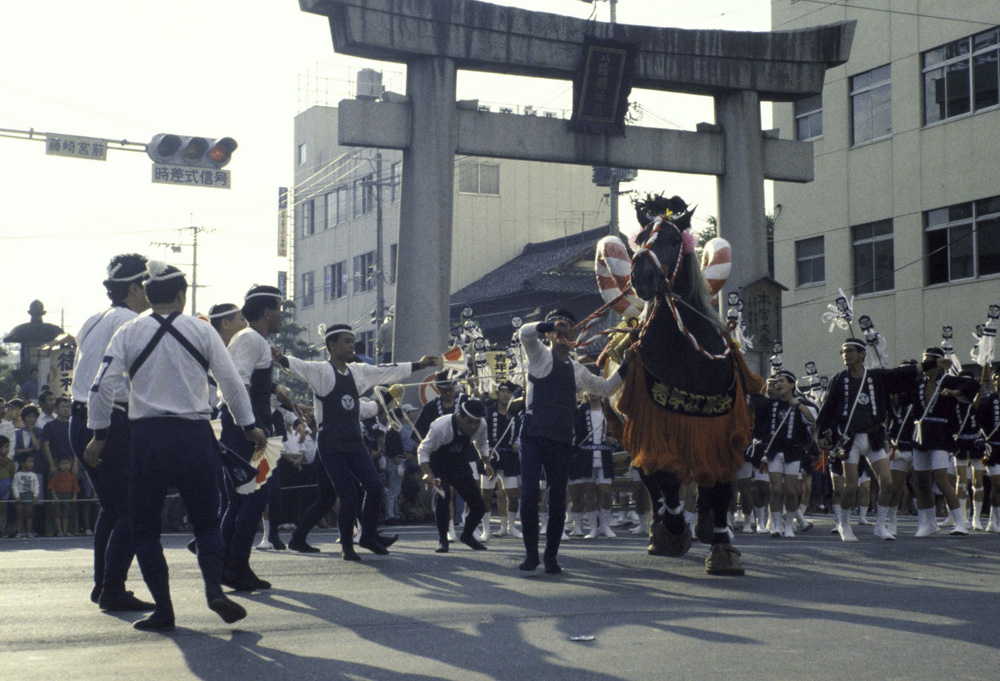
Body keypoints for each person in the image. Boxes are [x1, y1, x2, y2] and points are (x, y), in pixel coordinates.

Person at [85, 261, 266, 631]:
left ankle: (164, 609)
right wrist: (249, 426)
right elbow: (230, 382)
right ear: (182, 295)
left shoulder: (128, 331)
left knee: (145, 528)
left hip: (148, 440)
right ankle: (214, 588)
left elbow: (100, 387)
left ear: (148, 295)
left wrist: (99, 435)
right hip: (195, 437)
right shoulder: (201, 331)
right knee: (206, 522)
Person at [274, 324, 438, 560]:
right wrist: (280, 358)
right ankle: (347, 546)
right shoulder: (321, 372)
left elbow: (385, 371)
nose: (352, 345)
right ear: (331, 345)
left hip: (354, 443)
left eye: (353, 341)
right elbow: (299, 366)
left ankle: (367, 535)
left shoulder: (358, 372)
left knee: (372, 487)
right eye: (346, 341)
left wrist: (419, 365)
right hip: (330, 444)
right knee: (347, 495)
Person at [517, 309, 632, 574]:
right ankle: (531, 555)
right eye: (558, 326)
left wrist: (626, 364)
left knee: (558, 497)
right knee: (530, 493)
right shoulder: (539, 355)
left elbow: (605, 388)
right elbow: (524, 333)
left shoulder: (578, 370)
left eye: (568, 325)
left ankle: (551, 557)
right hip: (533, 434)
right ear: (550, 333)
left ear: (573, 334)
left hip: (559, 438)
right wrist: (546, 325)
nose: (562, 330)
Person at [69, 252, 153, 611]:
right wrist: (101, 434)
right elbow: (108, 385)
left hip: (79, 418)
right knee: (133, 510)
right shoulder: (132, 322)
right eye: (148, 284)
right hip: (107, 421)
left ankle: (102, 584)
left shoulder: (91, 320)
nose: (152, 292)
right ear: (135, 287)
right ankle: (112, 589)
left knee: (113, 507)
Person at [815, 339, 947, 541]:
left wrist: (933, 364)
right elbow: (828, 408)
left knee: (887, 482)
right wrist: (820, 433)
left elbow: (902, 373)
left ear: (862, 354)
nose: (845, 355)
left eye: (850, 351)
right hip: (849, 438)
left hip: (874, 436)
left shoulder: (876, 377)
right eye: (843, 351)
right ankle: (844, 525)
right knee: (850, 486)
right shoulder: (839, 379)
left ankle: (880, 525)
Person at [219, 285, 296, 591]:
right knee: (255, 496)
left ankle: (224, 563)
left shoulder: (254, 340)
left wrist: (277, 392)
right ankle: (236, 566)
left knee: (241, 498)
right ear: (268, 312)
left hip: (251, 426)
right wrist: (250, 425)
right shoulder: (251, 338)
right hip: (250, 430)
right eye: (279, 309)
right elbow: (239, 382)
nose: (281, 315)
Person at [906, 348, 979, 537]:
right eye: (925, 361)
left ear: (939, 365)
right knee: (921, 481)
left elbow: (973, 384)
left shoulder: (947, 380)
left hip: (940, 432)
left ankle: (960, 521)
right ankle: (927, 522)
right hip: (920, 432)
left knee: (941, 477)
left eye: (931, 362)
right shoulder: (918, 383)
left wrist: (955, 392)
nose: (927, 366)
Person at [418, 399, 493, 552]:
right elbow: (423, 449)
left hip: (458, 462)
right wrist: (429, 473)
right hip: (438, 463)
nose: (473, 427)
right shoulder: (441, 426)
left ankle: (467, 535)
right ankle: (443, 540)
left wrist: (486, 463)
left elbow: (482, 443)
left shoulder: (481, 425)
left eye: (476, 423)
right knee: (444, 497)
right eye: (469, 422)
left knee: (478, 505)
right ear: (459, 417)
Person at [749, 371, 817, 538]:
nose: (778, 384)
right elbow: (753, 399)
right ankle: (776, 525)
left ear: (792, 385)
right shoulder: (770, 404)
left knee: (791, 490)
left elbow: (813, 419)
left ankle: (789, 525)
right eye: (776, 381)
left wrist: (798, 405)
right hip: (774, 451)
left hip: (793, 451)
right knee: (776, 489)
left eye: (782, 381)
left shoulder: (801, 404)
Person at [480, 380, 521, 540]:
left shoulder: (516, 413)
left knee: (513, 493)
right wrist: (484, 451)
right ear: (498, 394)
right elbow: (480, 433)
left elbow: (520, 432)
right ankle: (486, 529)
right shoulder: (488, 412)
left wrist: (517, 442)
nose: (505, 394)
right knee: (486, 494)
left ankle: (509, 527)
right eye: (503, 391)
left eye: (509, 392)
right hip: (490, 456)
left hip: (509, 456)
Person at [48, 457, 79, 536]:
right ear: (58, 465)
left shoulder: (72, 475)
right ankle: (60, 531)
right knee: (57, 513)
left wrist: (74, 497)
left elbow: (75, 487)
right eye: (63, 463)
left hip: (67, 496)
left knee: (66, 514)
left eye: (67, 464)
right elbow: (52, 487)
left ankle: (65, 530)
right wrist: (55, 497)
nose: (65, 466)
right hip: (58, 495)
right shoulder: (56, 475)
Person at [13, 453, 40, 538]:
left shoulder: (33, 475)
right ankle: (19, 532)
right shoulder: (17, 475)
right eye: (29, 462)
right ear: (22, 463)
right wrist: (17, 496)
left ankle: (29, 531)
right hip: (20, 496)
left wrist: (35, 495)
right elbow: (14, 486)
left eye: (32, 462)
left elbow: (36, 486)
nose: (32, 464)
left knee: (29, 515)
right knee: (19, 515)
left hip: (29, 495)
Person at [0, 435, 15, 536]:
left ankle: (1, 530)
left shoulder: (9, 462)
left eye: (8, 447)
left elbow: (12, 474)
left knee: (1, 512)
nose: (7, 449)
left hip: (4, 490)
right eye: (5, 447)